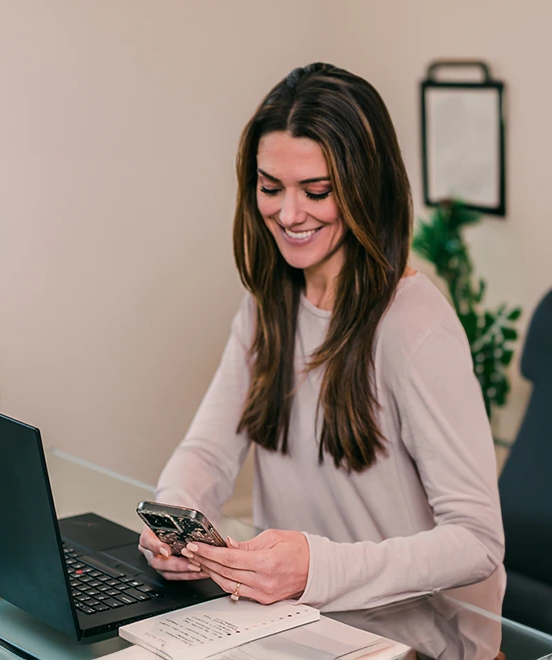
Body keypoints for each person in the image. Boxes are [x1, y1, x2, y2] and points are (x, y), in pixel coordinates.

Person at [138, 62, 505, 612]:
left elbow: (478, 541)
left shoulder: (416, 326)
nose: (288, 214)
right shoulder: (268, 306)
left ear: (365, 189)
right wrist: (173, 517)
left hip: (411, 643)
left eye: (316, 191)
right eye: (270, 187)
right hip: (294, 626)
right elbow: (209, 453)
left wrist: (317, 567)